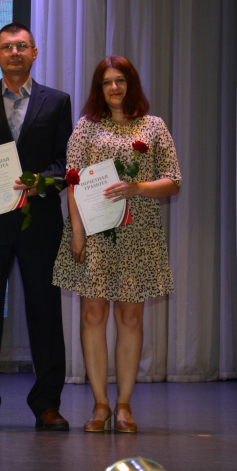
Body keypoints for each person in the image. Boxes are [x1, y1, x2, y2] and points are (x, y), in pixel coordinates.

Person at [0, 23, 73, 431]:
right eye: (7, 47)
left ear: (34, 52)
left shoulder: (57, 102)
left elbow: (65, 162)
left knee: (45, 315)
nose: (15, 52)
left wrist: (42, 183)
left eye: (22, 46)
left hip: (40, 223)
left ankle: (48, 404)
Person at [52, 56, 181, 434]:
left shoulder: (154, 126)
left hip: (138, 233)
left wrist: (137, 187)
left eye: (120, 80)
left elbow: (173, 180)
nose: (114, 87)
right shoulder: (86, 128)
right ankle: (100, 405)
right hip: (94, 233)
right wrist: (77, 232)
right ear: (99, 88)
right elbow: (73, 182)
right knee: (93, 315)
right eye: (107, 81)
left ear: (131, 84)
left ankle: (124, 405)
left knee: (131, 318)